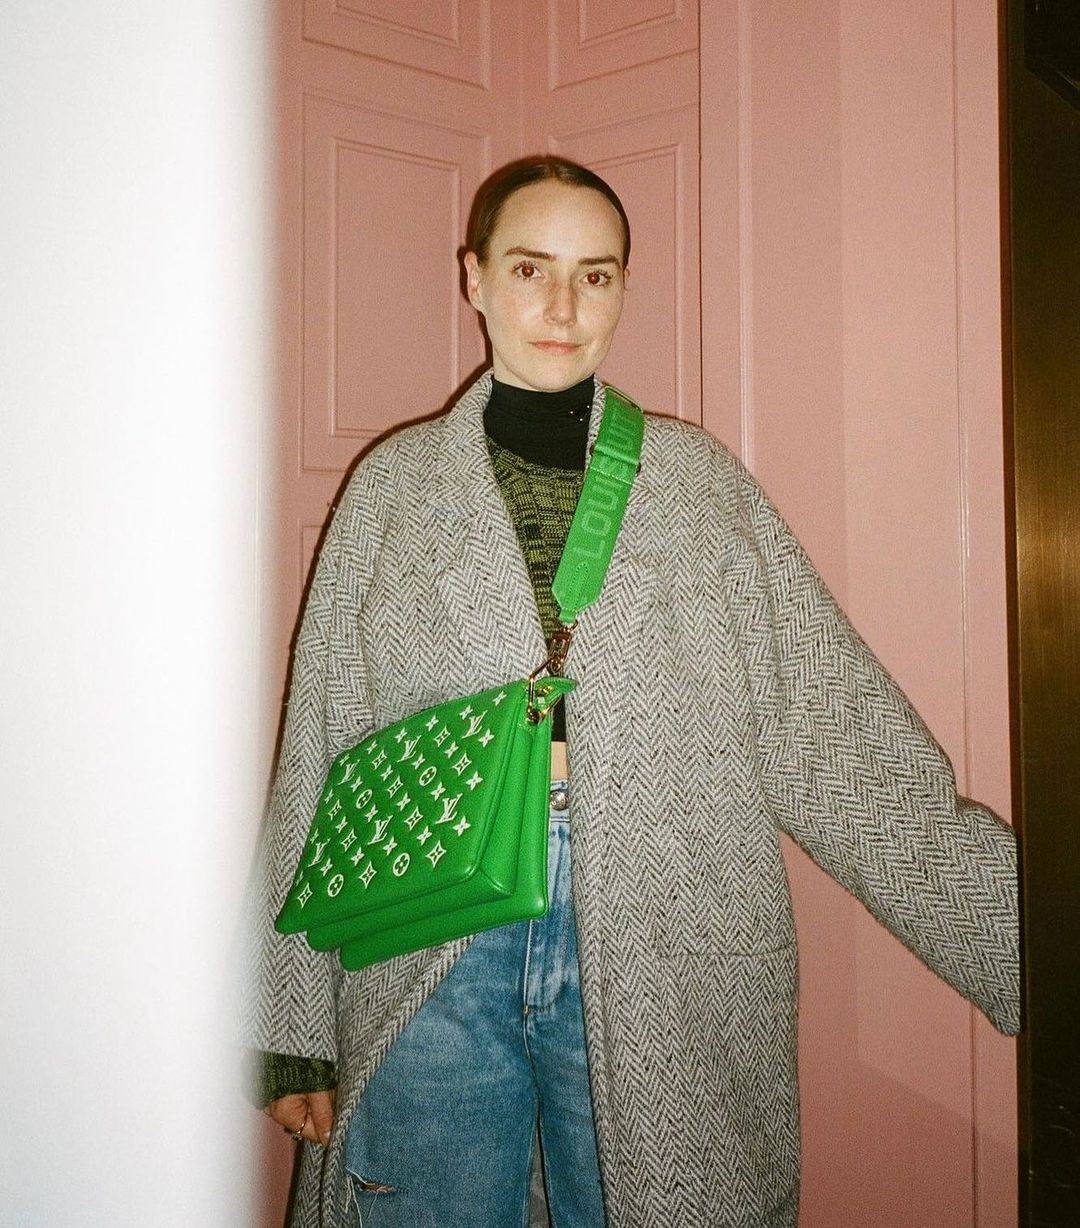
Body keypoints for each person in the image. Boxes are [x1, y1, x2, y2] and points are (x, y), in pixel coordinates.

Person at [241, 157, 1019, 1228]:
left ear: (622, 290)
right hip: (430, 948)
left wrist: (1028, 937)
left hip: (666, 930)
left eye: (595, 275)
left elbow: (833, 730)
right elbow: (320, 749)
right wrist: (289, 1022)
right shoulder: (393, 490)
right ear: (474, 279)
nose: (563, 307)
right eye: (531, 269)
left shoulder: (699, 487)